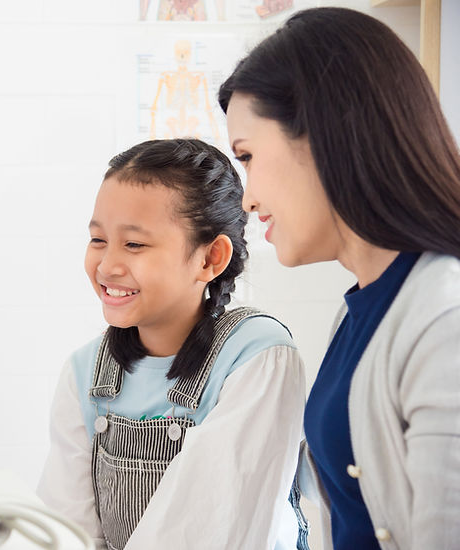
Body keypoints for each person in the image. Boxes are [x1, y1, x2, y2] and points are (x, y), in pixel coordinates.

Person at [219, 7, 460, 550]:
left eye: (248, 156)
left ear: (325, 135)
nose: (248, 198)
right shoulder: (359, 312)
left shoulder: (445, 319)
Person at [38, 138, 307, 549]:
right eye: (98, 240)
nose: (107, 265)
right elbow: (67, 531)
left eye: (134, 244)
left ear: (210, 259)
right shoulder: (85, 372)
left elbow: (212, 529)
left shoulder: (258, 356)